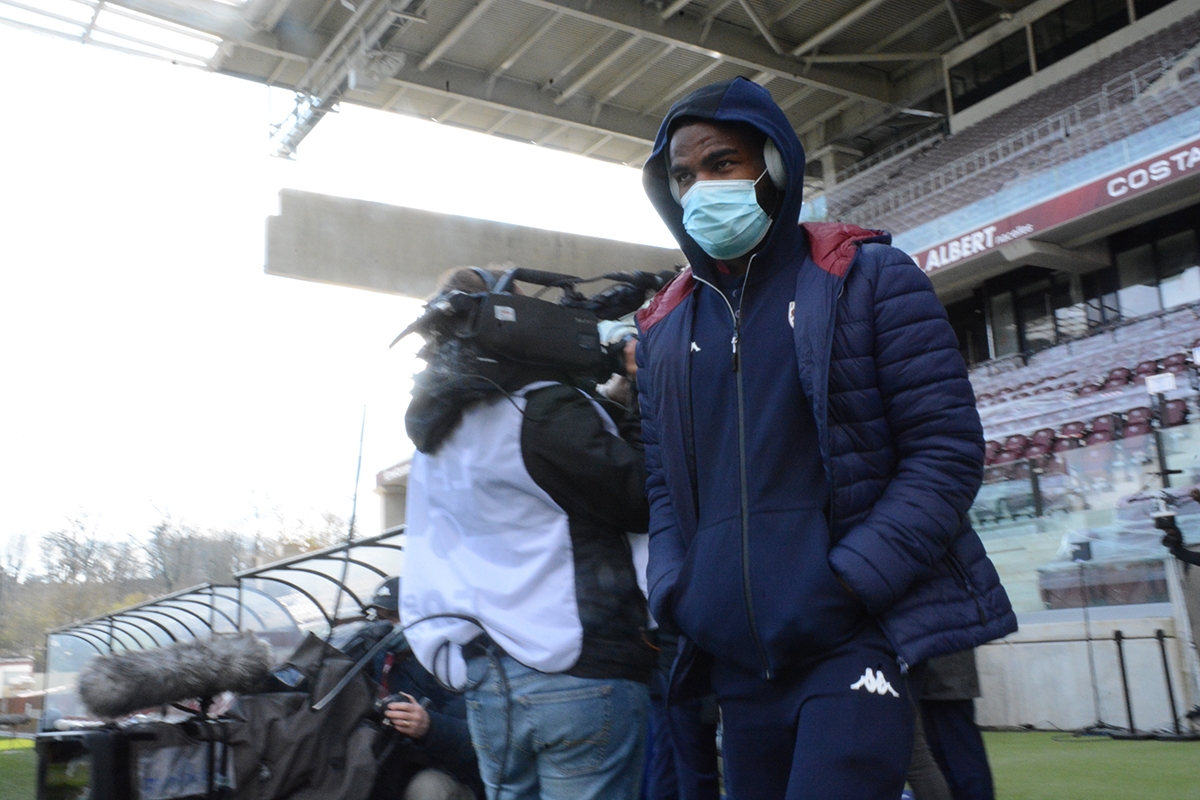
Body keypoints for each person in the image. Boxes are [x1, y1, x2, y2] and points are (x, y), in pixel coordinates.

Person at [634, 77, 1018, 800]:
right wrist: (679, 591)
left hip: (851, 638)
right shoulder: (663, 329)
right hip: (735, 658)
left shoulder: (871, 278)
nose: (700, 189)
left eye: (722, 163)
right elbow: (664, 486)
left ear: (775, 166)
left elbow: (945, 452)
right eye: (683, 176)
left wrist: (850, 581)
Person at [400, 267, 656, 800]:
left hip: (489, 679)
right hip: (578, 667)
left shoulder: (435, 438)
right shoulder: (540, 411)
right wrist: (638, 389)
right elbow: (638, 498)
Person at [331, 577, 484, 800]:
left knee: (427, 791)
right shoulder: (377, 656)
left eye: (394, 616)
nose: (386, 627)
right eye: (380, 618)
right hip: (396, 767)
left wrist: (429, 726)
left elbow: (481, 741)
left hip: (455, 774)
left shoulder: (449, 662)